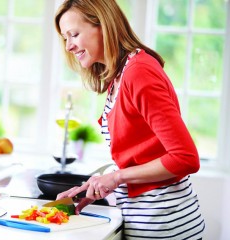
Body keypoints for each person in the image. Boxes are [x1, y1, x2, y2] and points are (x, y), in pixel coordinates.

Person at [54, 0, 205, 239]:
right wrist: (93, 186)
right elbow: (142, 157)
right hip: (144, 220)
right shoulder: (121, 75)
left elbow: (185, 158)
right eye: (65, 38)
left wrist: (116, 177)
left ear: (103, 25)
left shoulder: (139, 72)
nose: (69, 46)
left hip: (163, 225)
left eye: (74, 34)